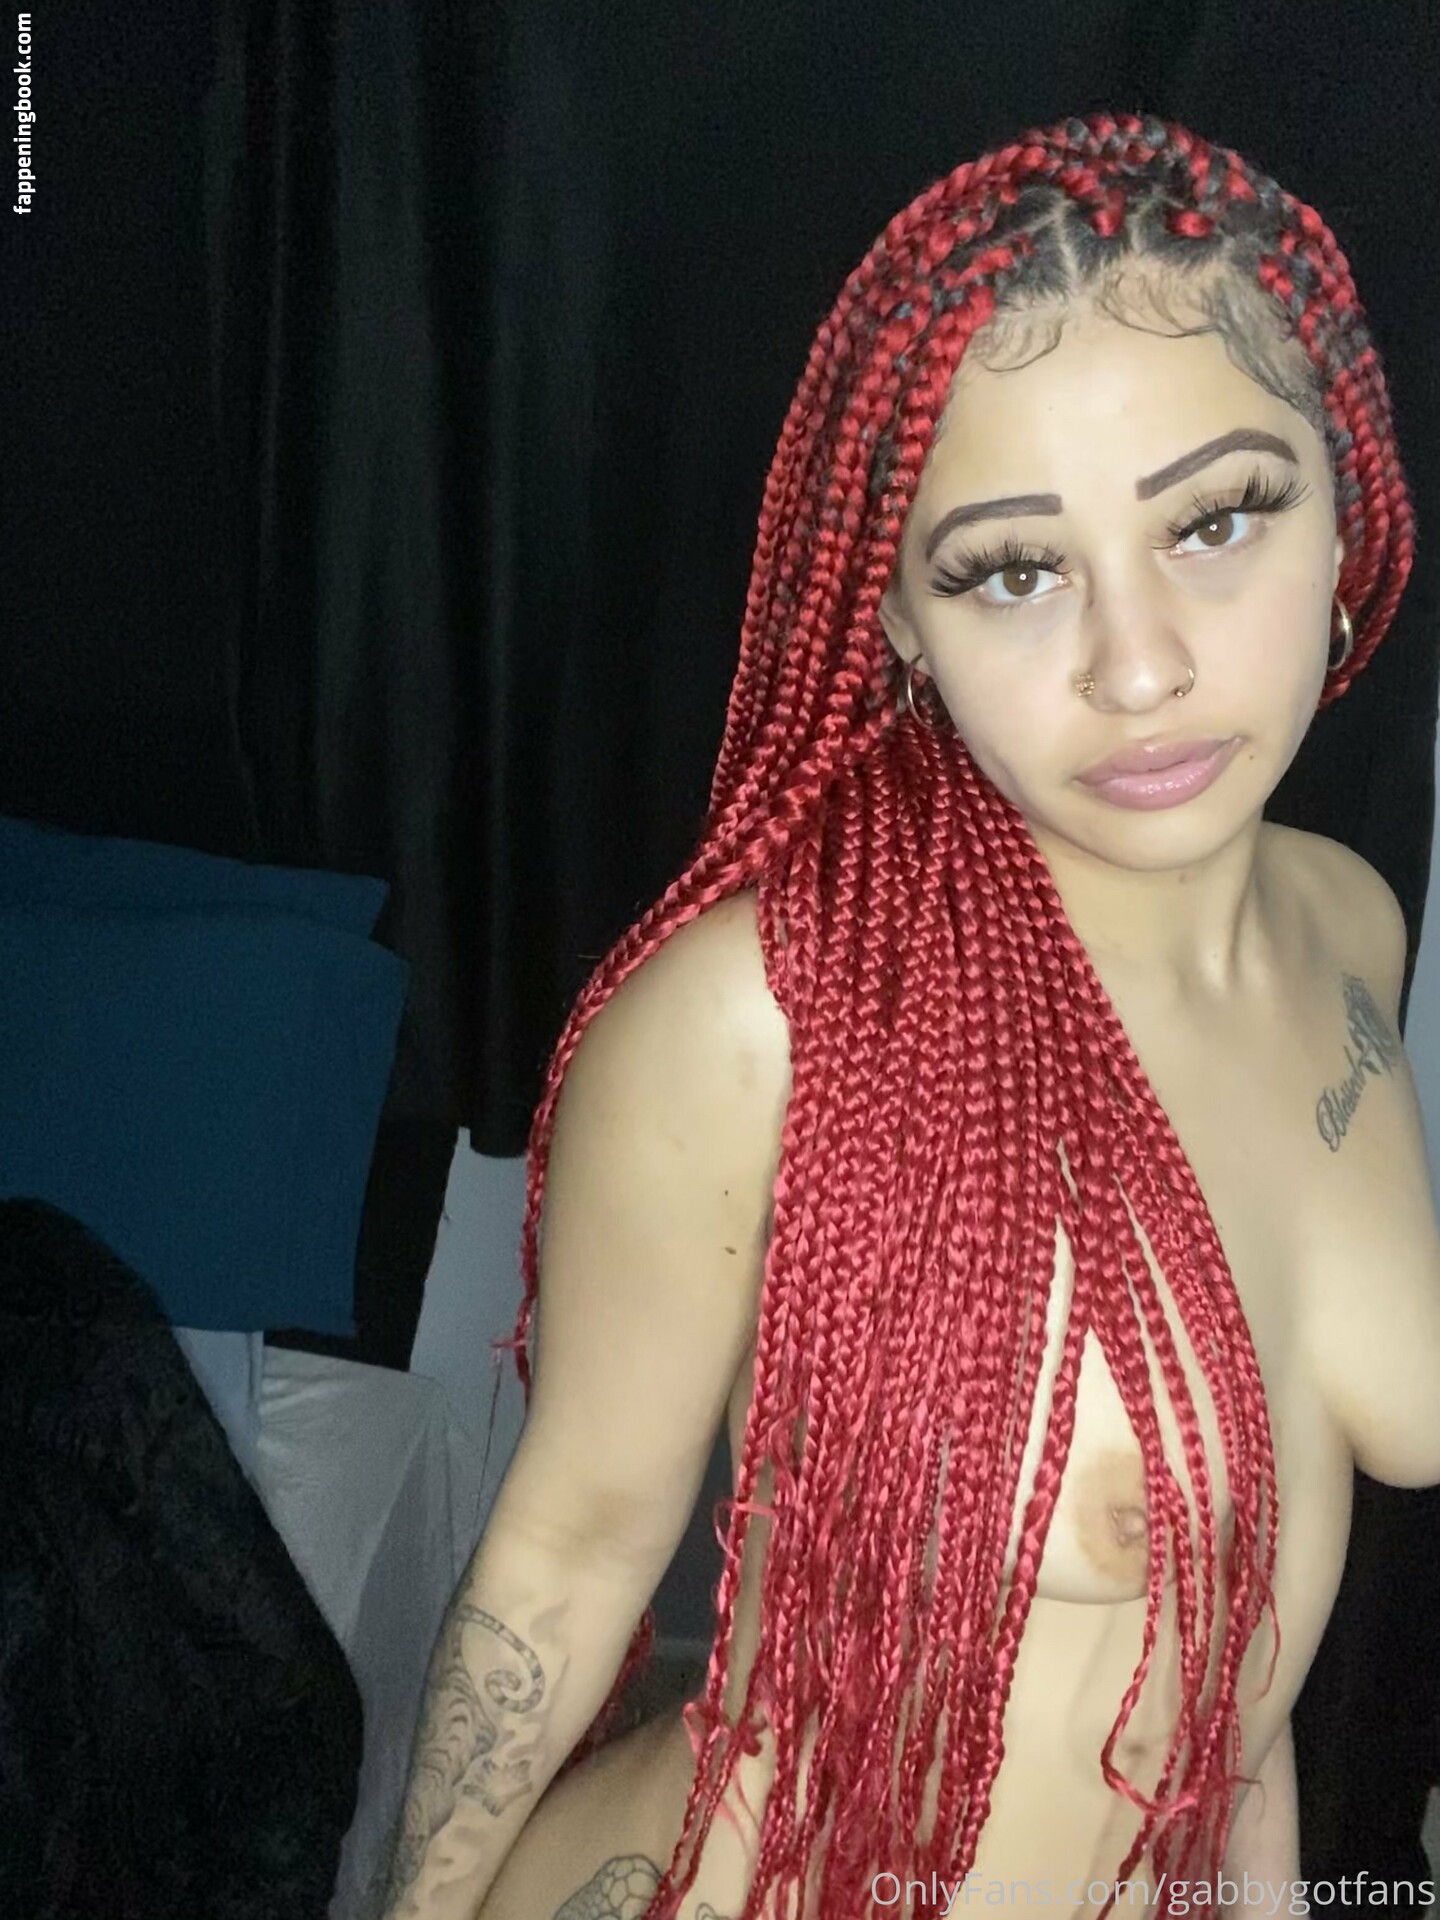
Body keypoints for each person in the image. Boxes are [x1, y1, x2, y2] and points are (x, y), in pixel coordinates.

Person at [379, 110, 1440, 1920]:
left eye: (1216, 520)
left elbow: (1236, 1649)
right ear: (896, 619)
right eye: (1015, 569)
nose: (1138, 665)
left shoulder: (1353, 923)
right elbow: (566, 1557)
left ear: (1350, 500)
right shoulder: (764, 1023)